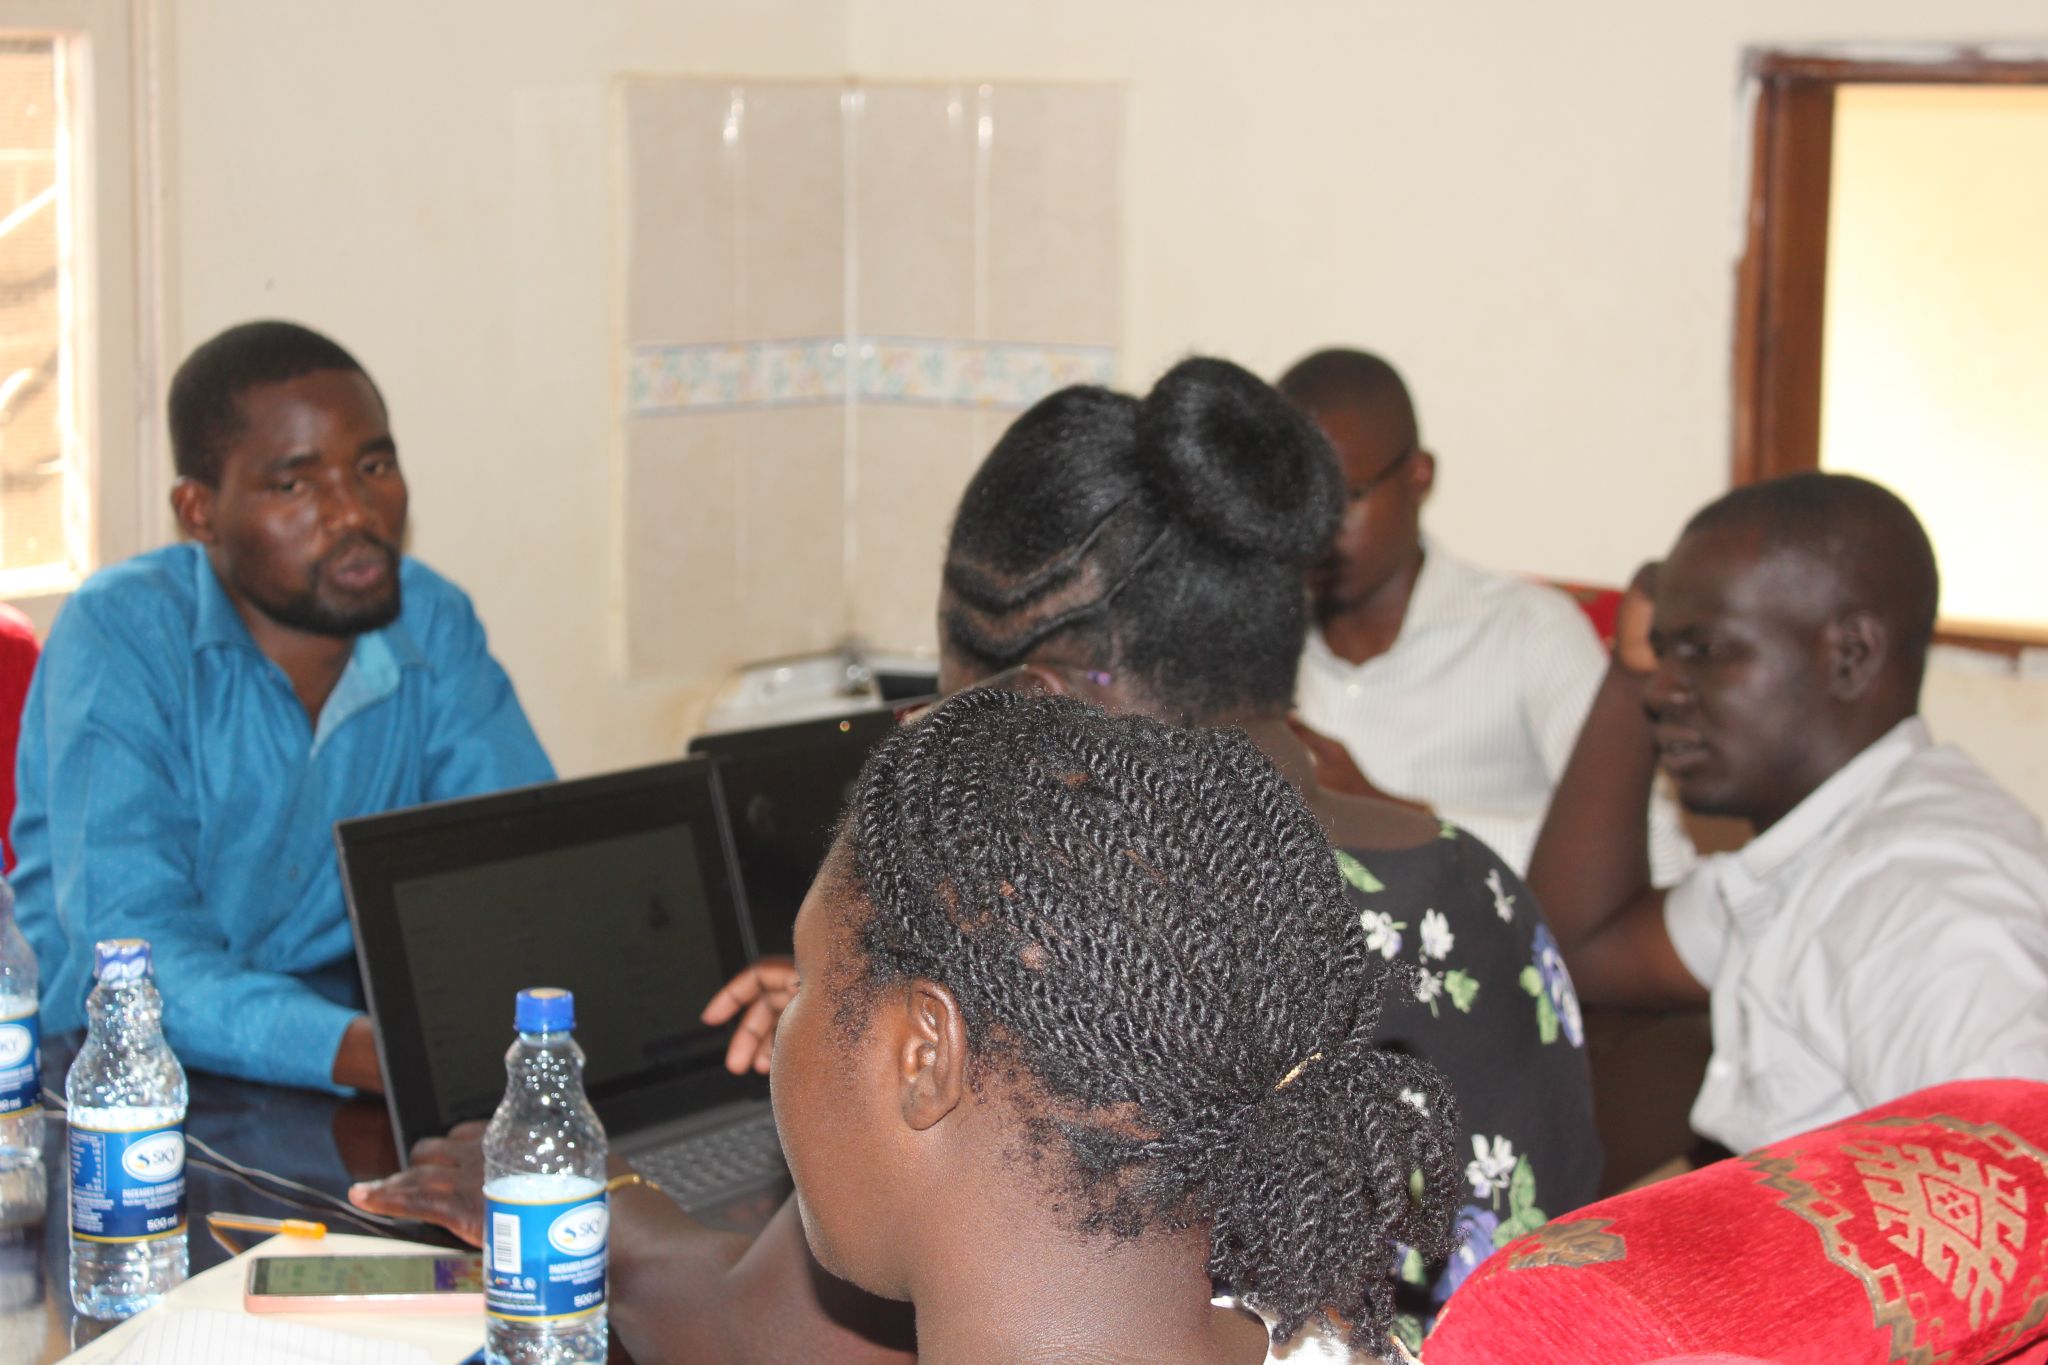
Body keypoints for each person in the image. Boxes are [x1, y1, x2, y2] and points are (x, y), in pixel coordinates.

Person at [357, 359, 1599, 1361]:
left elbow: (752, 1338)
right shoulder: (1479, 883)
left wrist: (590, 1194)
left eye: (947, 706)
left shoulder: (1084, 940)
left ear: (1031, 707)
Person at [12, 320, 553, 1093]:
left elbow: (517, 870)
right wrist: (379, 1053)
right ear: (198, 511)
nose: (353, 512)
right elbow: (131, 954)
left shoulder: (432, 618)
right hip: (109, 1080)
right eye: (294, 485)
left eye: (373, 466)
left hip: (337, 1062)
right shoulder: (123, 634)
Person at [1527, 471, 2048, 1155]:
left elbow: (2018, 1187)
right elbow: (1580, 949)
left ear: (1851, 656)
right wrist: (1627, 674)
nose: (1663, 689)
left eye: (1706, 651)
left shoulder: (1924, 903)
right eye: (1662, 653)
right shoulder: (1818, 848)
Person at [1277, 348, 1691, 881]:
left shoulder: (1528, 631)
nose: (1314, 530)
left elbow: (1659, 851)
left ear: (1418, 476)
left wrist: (1403, 821)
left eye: (1346, 497)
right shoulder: (1245, 641)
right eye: (1291, 504)